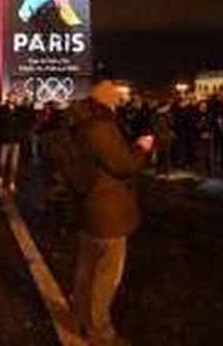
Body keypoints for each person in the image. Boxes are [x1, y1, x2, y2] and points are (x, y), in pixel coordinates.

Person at [71, 71, 154, 345]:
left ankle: (80, 319)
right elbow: (124, 165)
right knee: (106, 276)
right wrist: (142, 148)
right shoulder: (101, 127)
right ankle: (100, 332)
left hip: (88, 206)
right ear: (106, 100)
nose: (119, 102)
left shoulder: (82, 122)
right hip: (107, 211)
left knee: (86, 269)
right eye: (116, 99)